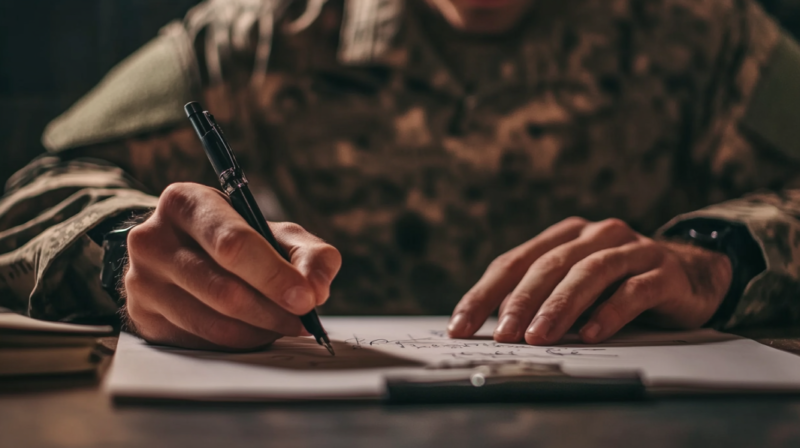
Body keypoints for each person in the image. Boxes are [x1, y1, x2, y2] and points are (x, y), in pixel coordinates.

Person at [1, 0, 799, 351]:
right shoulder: (266, 33)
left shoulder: (704, 30)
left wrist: (714, 253)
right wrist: (125, 253)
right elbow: (39, 187)